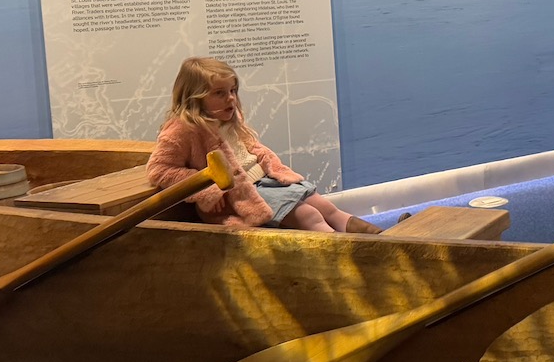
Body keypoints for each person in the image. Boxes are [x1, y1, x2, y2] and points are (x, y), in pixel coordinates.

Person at [147, 56, 381, 233]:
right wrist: (207, 189)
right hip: (243, 195)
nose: (230, 98)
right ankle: (351, 254)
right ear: (194, 97)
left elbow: (250, 149)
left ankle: (378, 238)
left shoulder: (226, 120)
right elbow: (160, 169)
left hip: (266, 182)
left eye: (233, 91)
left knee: (325, 206)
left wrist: (273, 166)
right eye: (219, 93)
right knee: (310, 216)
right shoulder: (183, 129)